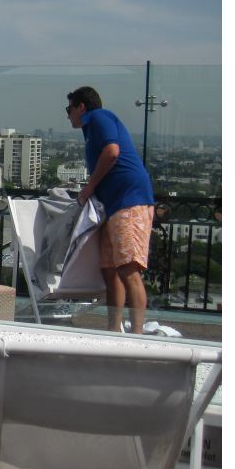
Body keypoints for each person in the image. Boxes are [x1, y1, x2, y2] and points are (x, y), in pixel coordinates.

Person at [66, 86, 155, 334]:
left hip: (129, 201)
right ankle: (113, 330)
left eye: (69, 109)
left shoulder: (99, 117)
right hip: (114, 204)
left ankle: (137, 337)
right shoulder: (91, 127)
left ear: (81, 107)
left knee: (128, 268)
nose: (68, 115)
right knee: (110, 269)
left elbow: (112, 151)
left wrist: (89, 187)